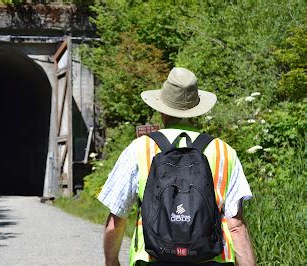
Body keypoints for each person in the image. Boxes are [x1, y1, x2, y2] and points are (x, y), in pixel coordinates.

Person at [98, 67, 256, 266]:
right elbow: (236, 226)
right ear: (196, 112)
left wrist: (111, 262)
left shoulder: (140, 148)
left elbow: (117, 219)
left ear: (162, 110)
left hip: (151, 259)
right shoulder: (224, 152)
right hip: (212, 260)